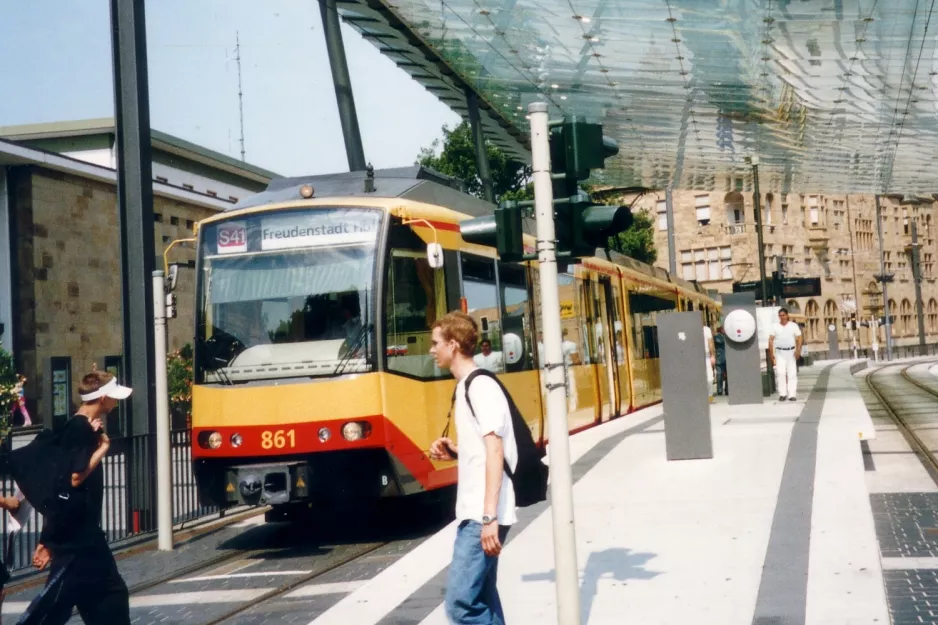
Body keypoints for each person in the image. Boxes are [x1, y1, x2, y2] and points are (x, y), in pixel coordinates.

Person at [17, 370, 133, 625]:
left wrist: (47, 538)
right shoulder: (78, 428)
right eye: (113, 397)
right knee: (55, 607)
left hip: (83, 536)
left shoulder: (82, 426)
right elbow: (73, 478)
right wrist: (103, 448)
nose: (116, 402)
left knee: (108, 597)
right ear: (102, 398)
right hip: (76, 541)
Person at [429, 312, 517, 625]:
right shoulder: (467, 386)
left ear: (453, 345)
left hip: (483, 513)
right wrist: (456, 450)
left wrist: (489, 517)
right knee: (481, 597)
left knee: (461, 603)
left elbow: (496, 450)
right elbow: (484, 449)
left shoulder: (480, 387)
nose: (432, 349)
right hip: (475, 512)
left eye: (436, 343)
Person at [769, 307, 803, 402]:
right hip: (780, 352)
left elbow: (799, 337)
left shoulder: (793, 326)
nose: (782, 317)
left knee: (792, 373)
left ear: (787, 315)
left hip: (791, 352)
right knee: (780, 373)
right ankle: (782, 394)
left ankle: (792, 394)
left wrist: (798, 351)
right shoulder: (775, 326)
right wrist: (772, 354)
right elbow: (771, 340)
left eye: (783, 315)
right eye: (780, 316)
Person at [714, 325, 728, 396]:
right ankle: (719, 390)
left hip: (727, 359)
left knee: (728, 375)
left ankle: (727, 390)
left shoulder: (727, 336)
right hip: (720, 359)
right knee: (719, 375)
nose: (724, 330)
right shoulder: (717, 336)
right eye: (723, 329)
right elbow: (719, 341)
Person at [703, 323, 716, 399]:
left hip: (694, 357)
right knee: (709, 375)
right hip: (706, 356)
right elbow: (710, 343)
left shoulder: (691, 329)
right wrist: (712, 355)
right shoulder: (706, 329)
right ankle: (709, 396)